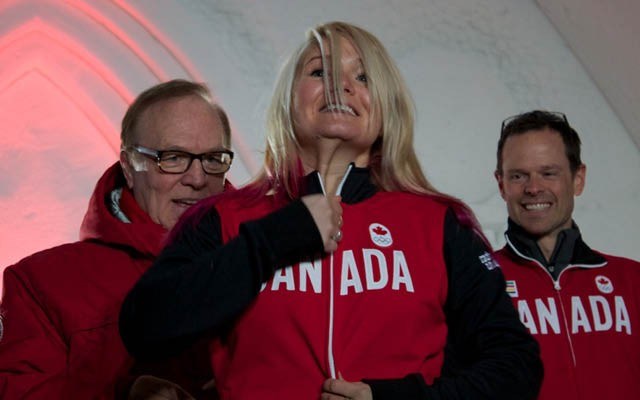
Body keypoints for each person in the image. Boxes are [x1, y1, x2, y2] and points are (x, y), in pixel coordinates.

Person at [120, 22, 542, 399]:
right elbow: (144, 327)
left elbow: (516, 366)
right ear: (288, 100)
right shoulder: (223, 219)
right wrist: (272, 241)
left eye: (362, 77)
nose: (341, 88)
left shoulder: (439, 223)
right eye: (320, 72)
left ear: (385, 106)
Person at [0, 79, 234, 399]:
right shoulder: (40, 283)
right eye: (173, 158)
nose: (197, 179)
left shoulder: (280, 269)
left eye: (212, 159)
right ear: (128, 165)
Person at [493, 110, 640, 399]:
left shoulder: (633, 281)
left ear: (578, 179)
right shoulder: (479, 285)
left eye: (549, 173)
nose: (534, 188)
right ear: (501, 185)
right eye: (518, 175)